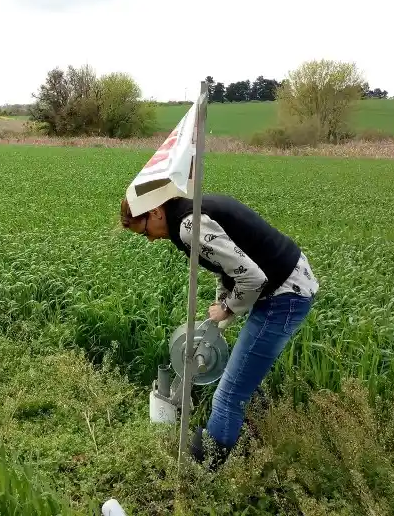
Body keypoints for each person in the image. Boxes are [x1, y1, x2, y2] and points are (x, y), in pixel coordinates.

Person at [120, 193, 318, 470]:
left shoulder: (189, 228)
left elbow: (252, 277)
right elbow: (225, 266)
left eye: (144, 233)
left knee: (227, 397)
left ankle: (201, 474)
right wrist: (220, 319)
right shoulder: (190, 214)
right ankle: (257, 439)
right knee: (243, 376)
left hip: (284, 294)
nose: (150, 239)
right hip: (283, 283)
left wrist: (227, 308)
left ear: (154, 212)